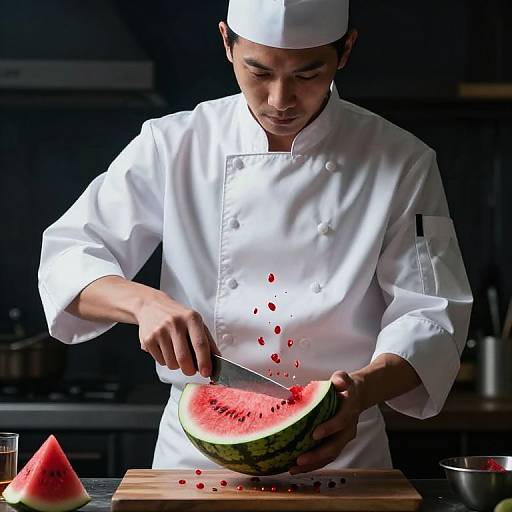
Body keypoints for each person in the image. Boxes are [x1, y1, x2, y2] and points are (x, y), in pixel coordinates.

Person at [38, 0, 473, 473]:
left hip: (339, 452)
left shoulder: (402, 160)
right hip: (196, 460)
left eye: (308, 75)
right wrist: (143, 303)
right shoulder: (174, 144)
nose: (280, 100)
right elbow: (68, 257)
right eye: (259, 71)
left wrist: (360, 392)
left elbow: (433, 312)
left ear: (345, 51)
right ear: (226, 42)